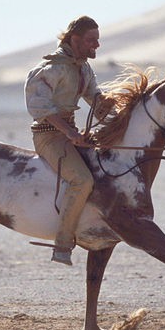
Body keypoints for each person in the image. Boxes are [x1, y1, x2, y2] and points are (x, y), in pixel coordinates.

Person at [25, 15, 114, 266]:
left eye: (98, 40)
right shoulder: (50, 69)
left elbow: (96, 102)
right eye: (91, 40)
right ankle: (63, 244)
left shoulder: (83, 67)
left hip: (70, 133)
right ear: (75, 39)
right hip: (48, 135)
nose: (96, 45)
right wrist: (70, 134)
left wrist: (113, 108)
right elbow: (40, 108)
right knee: (82, 180)